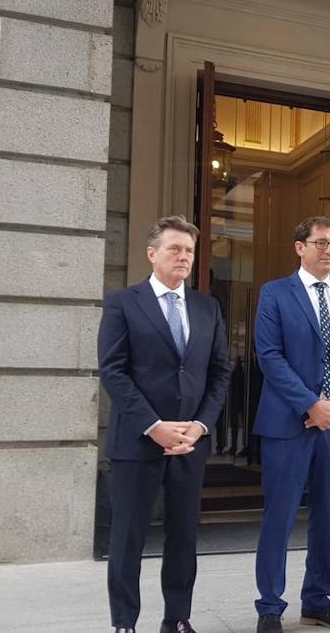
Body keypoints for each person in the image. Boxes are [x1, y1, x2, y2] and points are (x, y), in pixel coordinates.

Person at [99, 215, 232, 633]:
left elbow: (220, 373)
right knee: (128, 537)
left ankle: (177, 618)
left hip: (190, 443)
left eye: (189, 250)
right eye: (175, 249)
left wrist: (201, 426)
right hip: (137, 441)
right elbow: (113, 371)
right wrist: (153, 425)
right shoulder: (123, 303)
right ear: (152, 254)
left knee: (183, 537)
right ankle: (125, 622)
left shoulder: (207, 307)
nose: (184, 257)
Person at [252, 216, 330, 633]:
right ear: (299, 247)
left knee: (325, 516)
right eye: (321, 243)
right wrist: (309, 404)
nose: (329, 250)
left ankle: (317, 600)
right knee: (279, 517)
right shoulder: (274, 293)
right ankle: (270, 607)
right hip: (289, 424)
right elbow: (269, 356)